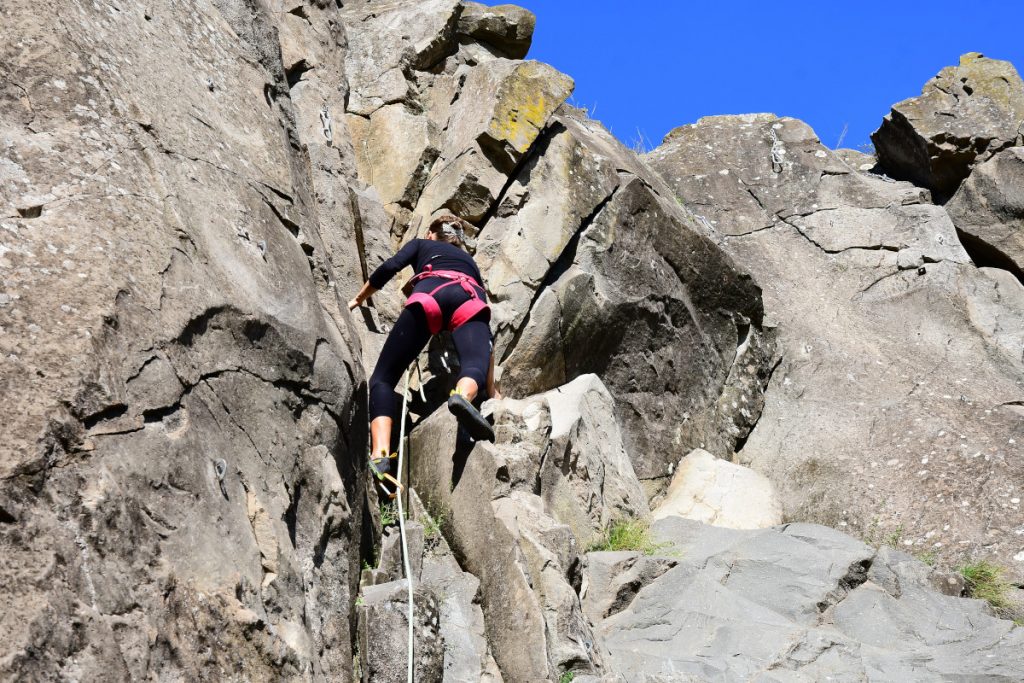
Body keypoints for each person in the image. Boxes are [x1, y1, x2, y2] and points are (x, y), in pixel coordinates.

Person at [348, 214, 500, 497]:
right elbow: (485, 342)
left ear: (432, 234)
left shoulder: (421, 244)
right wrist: (491, 390)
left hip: (431, 292)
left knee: (382, 379)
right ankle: (463, 397)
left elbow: (390, 267)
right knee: (472, 365)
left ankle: (380, 453)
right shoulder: (471, 264)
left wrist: (359, 299)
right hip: (469, 297)